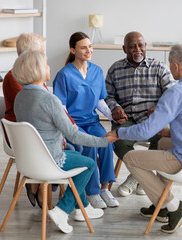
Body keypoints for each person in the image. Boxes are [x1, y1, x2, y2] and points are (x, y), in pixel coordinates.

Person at [105, 44, 182, 233]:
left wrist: (118, 133)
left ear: (175, 66)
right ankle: (161, 205)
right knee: (161, 142)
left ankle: (174, 206)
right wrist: (170, 131)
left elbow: (145, 131)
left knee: (132, 159)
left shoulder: (176, 92)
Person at [12, 51, 118, 234]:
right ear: (36, 69)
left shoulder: (20, 97)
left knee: (77, 155)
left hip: (28, 161)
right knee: (89, 164)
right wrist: (104, 140)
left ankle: (81, 207)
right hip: (49, 159)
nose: (49, 67)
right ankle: (62, 210)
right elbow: (75, 136)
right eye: (45, 64)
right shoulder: (49, 99)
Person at [2, 33, 80, 208]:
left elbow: (53, 107)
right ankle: (53, 193)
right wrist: (60, 134)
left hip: (38, 131)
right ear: (31, 53)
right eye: (42, 52)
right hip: (25, 135)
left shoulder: (34, 74)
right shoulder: (15, 78)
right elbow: (34, 114)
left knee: (77, 143)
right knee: (75, 147)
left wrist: (70, 124)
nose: (45, 56)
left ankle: (62, 193)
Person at [105, 31, 176, 197]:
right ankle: (142, 176)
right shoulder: (115, 69)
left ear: (146, 46)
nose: (137, 49)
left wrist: (159, 107)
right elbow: (107, 95)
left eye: (141, 45)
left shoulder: (159, 67)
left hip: (152, 121)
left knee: (164, 141)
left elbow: (173, 93)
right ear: (124, 49)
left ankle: (137, 176)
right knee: (118, 141)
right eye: (132, 46)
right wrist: (115, 107)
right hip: (127, 120)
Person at [53, 32, 118, 209]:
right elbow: (61, 107)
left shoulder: (96, 71)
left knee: (106, 142)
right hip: (73, 124)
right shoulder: (64, 75)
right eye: (83, 47)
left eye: (90, 46)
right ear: (73, 50)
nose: (88, 50)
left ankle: (105, 189)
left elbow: (99, 101)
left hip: (91, 121)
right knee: (89, 145)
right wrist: (72, 127)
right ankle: (92, 192)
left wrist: (113, 114)